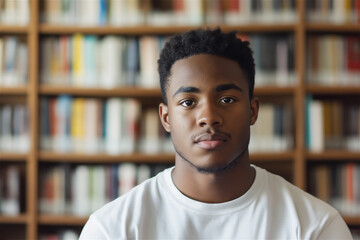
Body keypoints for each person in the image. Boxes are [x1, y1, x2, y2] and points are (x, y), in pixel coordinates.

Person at [79, 28, 352, 239]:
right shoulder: (111, 230)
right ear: (166, 118)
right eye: (188, 102)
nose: (209, 117)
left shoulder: (314, 227)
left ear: (253, 110)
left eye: (227, 100)